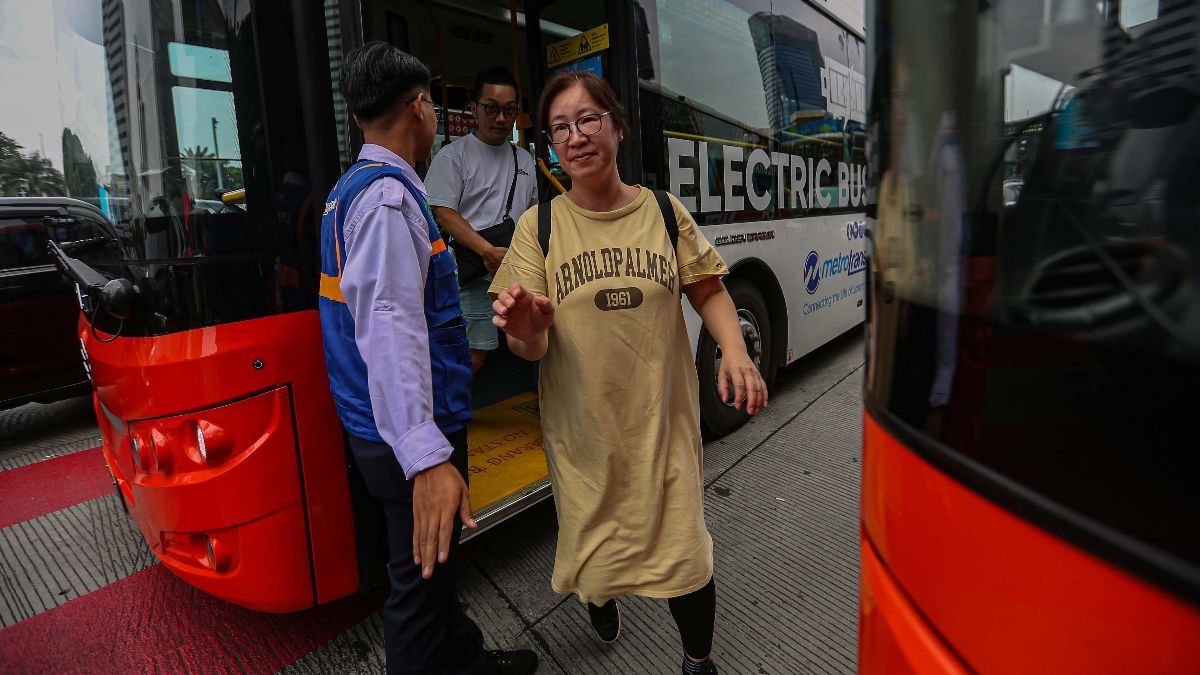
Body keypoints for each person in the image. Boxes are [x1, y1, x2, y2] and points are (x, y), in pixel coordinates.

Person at [487, 72, 768, 675]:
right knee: (599, 557)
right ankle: (603, 601)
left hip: (661, 429)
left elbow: (709, 290)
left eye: (589, 119)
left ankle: (699, 661)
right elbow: (524, 348)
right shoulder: (538, 229)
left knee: (687, 556)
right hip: (584, 441)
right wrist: (528, 328)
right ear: (550, 145)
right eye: (561, 126)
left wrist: (736, 350)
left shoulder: (664, 213)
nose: (577, 136)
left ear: (618, 126)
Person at [317, 42, 537, 675]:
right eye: (434, 104)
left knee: (435, 568)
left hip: (381, 425)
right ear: (419, 107)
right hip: (411, 432)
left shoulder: (349, 190)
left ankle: (468, 662)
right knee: (417, 586)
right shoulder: (389, 203)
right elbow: (391, 333)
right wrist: (427, 456)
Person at [426, 66, 539, 373]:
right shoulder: (453, 156)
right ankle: (453, 416)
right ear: (474, 109)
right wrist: (487, 252)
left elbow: (532, 213)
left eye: (509, 110)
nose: (501, 118)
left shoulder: (524, 159)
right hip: (474, 270)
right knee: (474, 353)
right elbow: (443, 212)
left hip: (517, 268)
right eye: (491, 108)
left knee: (532, 340)